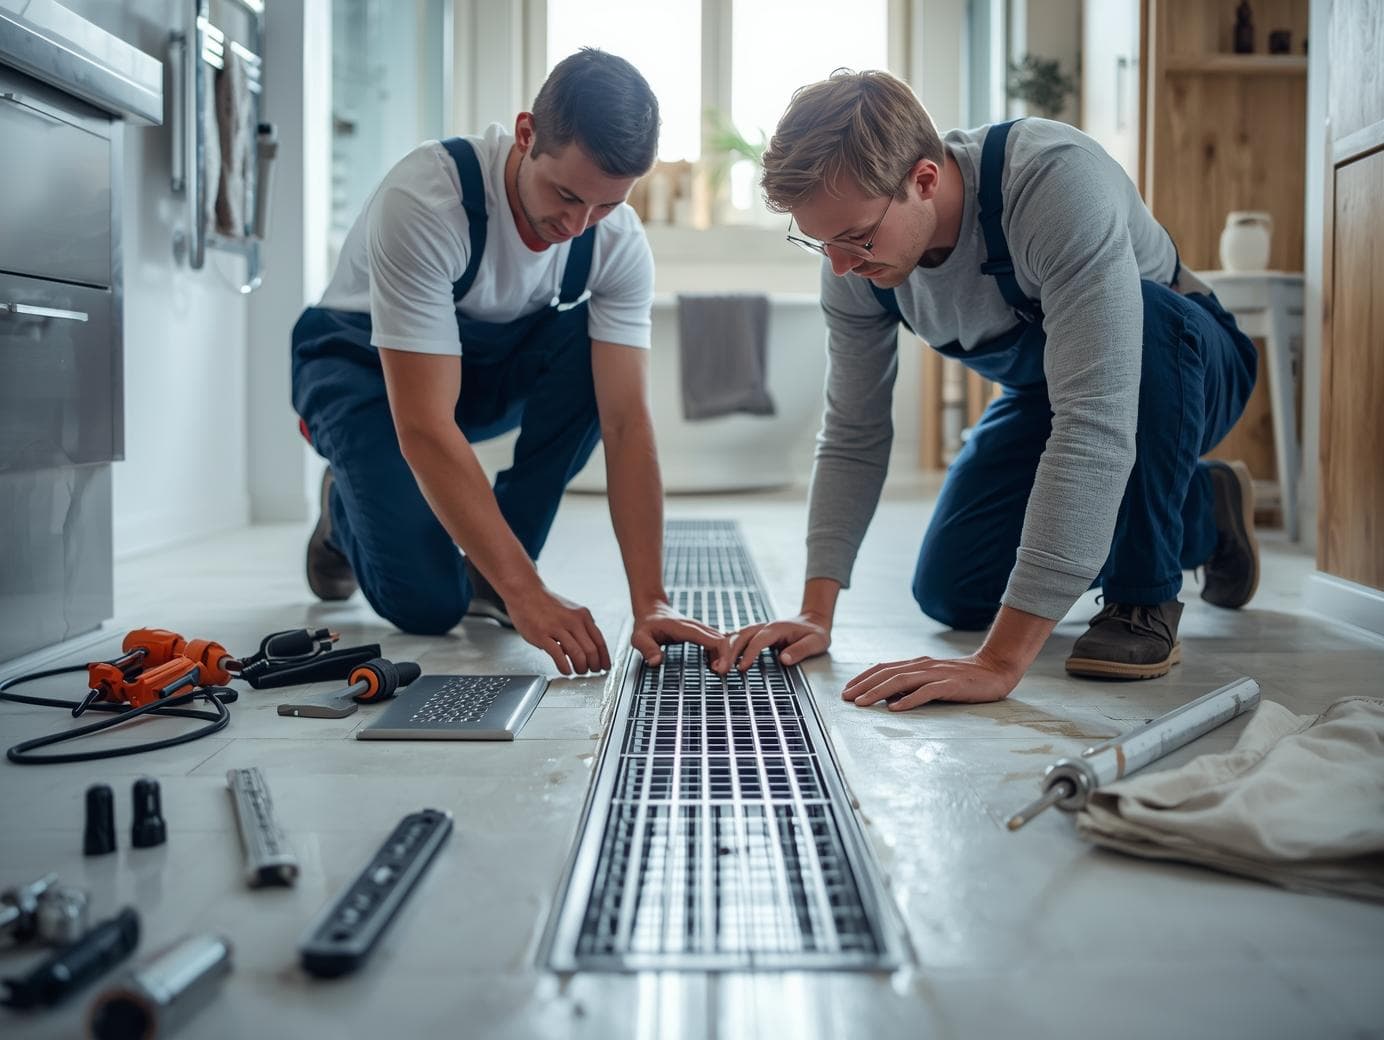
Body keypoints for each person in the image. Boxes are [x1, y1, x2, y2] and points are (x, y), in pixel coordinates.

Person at [730, 69, 1259, 708]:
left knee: (1144, 317)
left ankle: (1142, 597)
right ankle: (1205, 507)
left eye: (855, 238)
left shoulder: (1051, 182)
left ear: (923, 180)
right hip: (1049, 391)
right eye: (820, 243)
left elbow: (1095, 419)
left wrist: (1001, 661)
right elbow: (853, 432)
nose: (841, 266)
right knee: (954, 591)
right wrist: (817, 611)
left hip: (1182, 370)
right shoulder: (851, 263)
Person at [291, 48, 730, 677]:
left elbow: (627, 424)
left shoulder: (614, 241)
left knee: (592, 353)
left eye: (605, 206)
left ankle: (495, 572)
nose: (578, 225)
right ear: (526, 134)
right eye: (567, 194)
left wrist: (650, 600)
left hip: (469, 376)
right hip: (362, 376)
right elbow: (423, 426)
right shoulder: (428, 199)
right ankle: (343, 512)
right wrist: (530, 593)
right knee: (430, 605)